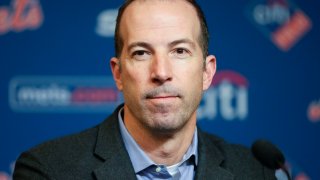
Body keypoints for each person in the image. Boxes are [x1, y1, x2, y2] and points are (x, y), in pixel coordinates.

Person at [13, 0, 276, 179]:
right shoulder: (48, 170)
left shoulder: (254, 171)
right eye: (141, 53)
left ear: (207, 72)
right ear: (118, 73)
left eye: (180, 51)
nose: (161, 72)